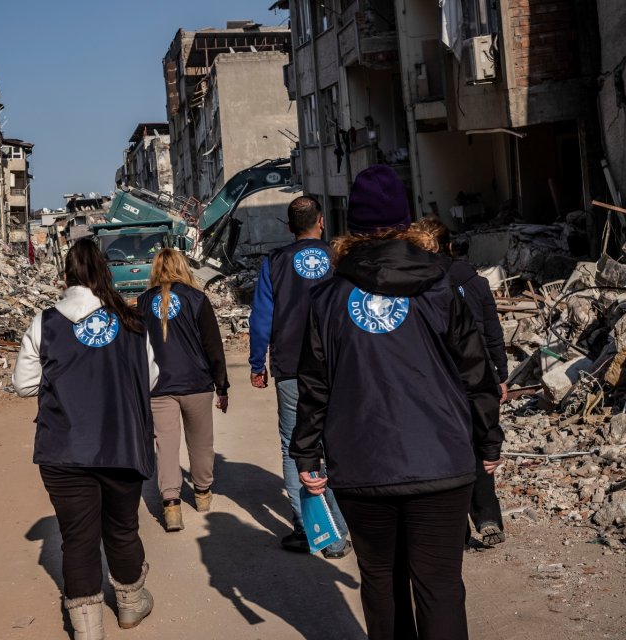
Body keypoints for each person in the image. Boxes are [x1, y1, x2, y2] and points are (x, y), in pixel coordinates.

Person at [291, 165, 504, 639]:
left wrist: (306, 451)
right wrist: (488, 440)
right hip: (441, 462)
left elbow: (315, 384)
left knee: (381, 583)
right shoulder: (440, 287)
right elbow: (477, 372)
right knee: (441, 586)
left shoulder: (328, 298)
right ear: (406, 221)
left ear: (353, 227)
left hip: (363, 465)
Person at [14, 238, 158, 639]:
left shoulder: (46, 322)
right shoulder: (131, 323)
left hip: (64, 449)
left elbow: (24, 384)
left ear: (66, 276)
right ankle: (130, 605)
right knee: (122, 527)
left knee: (77, 538)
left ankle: (87, 628)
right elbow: (151, 379)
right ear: (104, 273)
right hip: (122, 443)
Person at [247, 196, 351, 558]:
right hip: (337, 365)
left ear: (289, 227)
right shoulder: (340, 256)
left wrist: (257, 363)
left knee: (295, 448)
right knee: (334, 443)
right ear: (321, 222)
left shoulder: (275, 262)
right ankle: (341, 530)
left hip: (292, 366)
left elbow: (261, 317)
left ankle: (314, 530)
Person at [411, 216, 510, 548]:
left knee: (447, 454)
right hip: (477, 376)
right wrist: (501, 375)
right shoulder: (478, 284)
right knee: (480, 447)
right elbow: (493, 335)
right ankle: (488, 517)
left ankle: (458, 530)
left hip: (439, 381)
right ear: (451, 247)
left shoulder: (419, 287)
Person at [136, 248, 229, 533]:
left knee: (165, 444)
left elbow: (136, 349)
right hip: (196, 383)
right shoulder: (197, 299)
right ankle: (202, 494)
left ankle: (171, 505)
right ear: (182, 267)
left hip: (158, 386)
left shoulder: (142, 302)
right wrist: (222, 385)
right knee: (201, 442)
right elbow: (213, 346)